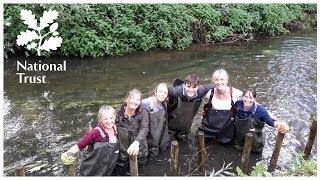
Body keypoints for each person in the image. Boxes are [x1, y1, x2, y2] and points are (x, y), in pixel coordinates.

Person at [61, 105, 118, 176]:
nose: (109, 121)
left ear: (115, 117)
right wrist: (68, 153)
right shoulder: (95, 132)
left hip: (108, 166)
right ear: (100, 119)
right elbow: (80, 145)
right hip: (94, 167)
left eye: (111, 118)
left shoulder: (115, 128)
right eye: (105, 119)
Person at [233, 87, 289, 153]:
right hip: (239, 140)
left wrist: (282, 124)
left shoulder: (261, 110)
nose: (247, 100)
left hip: (254, 141)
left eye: (251, 97)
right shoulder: (237, 104)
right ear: (242, 97)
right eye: (246, 97)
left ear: (254, 99)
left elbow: (271, 122)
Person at [199, 69, 243, 144]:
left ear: (227, 80)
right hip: (210, 127)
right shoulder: (209, 93)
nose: (219, 82)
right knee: (201, 141)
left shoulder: (236, 93)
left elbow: (250, 100)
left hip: (227, 129)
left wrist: (268, 114)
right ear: (213, 82)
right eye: (216, 80)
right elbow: (193, 93)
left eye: (222, 79)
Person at [167, 74, 211, 140]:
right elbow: (163, 91)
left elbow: (215, 86)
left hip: (186, 126)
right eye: (188, 86)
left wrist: (231, 90)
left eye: (194, 87)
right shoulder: (175, 92)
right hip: (171, 125)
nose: (191, 90)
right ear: (184, 85)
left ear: (198, 87)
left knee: (184, 139)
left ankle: (183, 134)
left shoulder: (202, 91)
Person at [115, 89, 149, 165]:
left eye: (137, 99)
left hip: (140, 152)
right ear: (127, 99)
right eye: (133, 98)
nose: (135, 101)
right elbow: (105, 125)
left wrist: (137, 142)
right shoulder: (117, 112)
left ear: (140, 102)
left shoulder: (143, 113)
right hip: (122, 153)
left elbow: (144, 128)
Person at [142, 83, 170, 157]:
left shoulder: (164, 103)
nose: (162, 94)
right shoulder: (146, 103)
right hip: (149, 136)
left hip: (160, 134)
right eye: (160, 91)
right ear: (155, 92)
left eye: (165, 93)